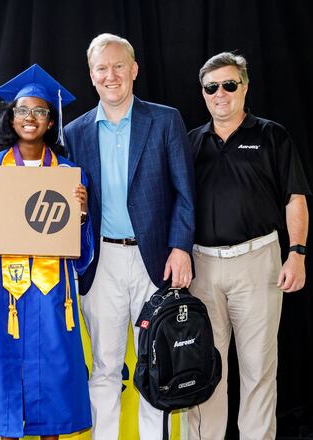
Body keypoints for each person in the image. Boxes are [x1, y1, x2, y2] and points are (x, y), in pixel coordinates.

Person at [64, 33, 195, 440]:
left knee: (155, 361)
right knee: (104, 364)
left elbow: (184, 193)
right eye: (102, 68)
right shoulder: (75, 132)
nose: (111, 75)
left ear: (134, 70)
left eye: (119, 66)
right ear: (91, 76)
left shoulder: (165, 119)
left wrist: (180, 247)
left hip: (153, 260)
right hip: (101, 261)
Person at [0, 64, 93, 440]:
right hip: (5, 293)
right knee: (5, 378)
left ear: (51, 121)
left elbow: (81, 256)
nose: (30, 118)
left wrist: (80, 216)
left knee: (53, 380)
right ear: (11, 117)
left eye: (40, 111)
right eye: (22, 111)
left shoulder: (70, 175)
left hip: (53, 296)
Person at [187, 52, 311, 439]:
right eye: (212, 87)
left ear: (244, 87)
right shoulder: (191, 143)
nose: (220, 94)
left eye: (229, 85)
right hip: (202, 265)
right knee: (206, 366)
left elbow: (295, 197)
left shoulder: (272, 135)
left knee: (258, 367)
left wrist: (298, 253)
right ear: (203, 93)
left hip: (258, 261)